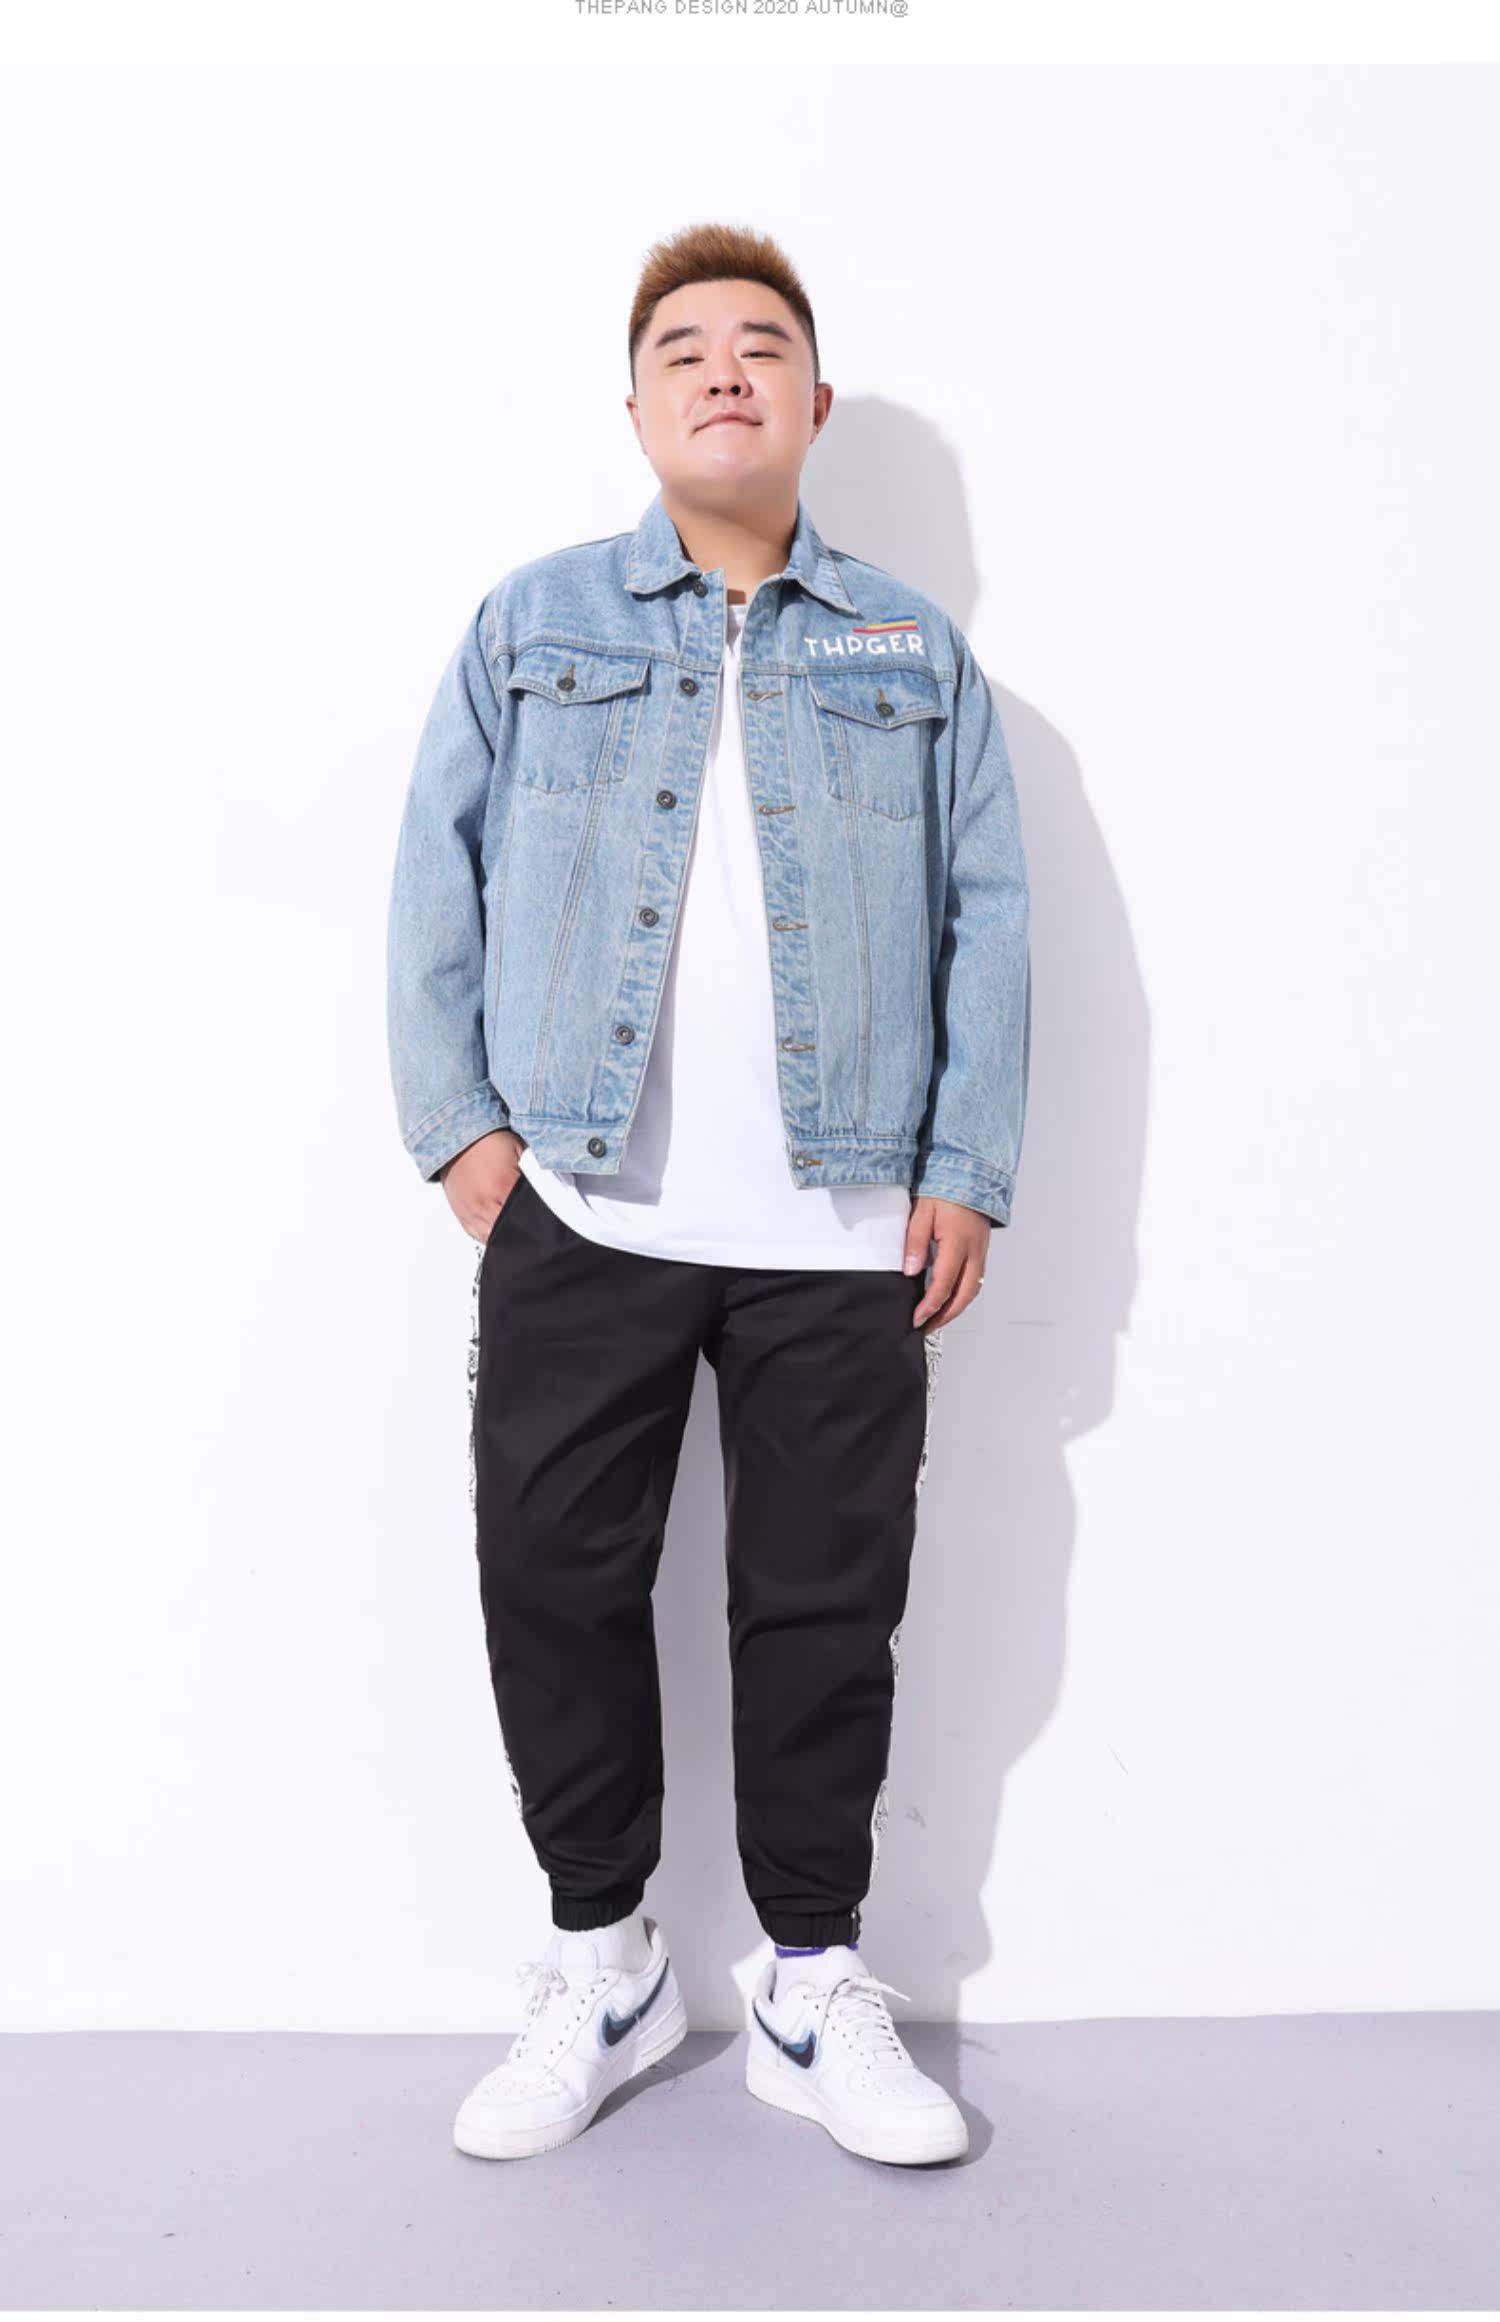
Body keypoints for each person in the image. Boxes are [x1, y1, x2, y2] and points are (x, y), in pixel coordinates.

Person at [385, 222, 1031, 2167]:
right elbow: (434, 870)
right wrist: (463, 1132)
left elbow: (990, 912)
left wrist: (965, 1164)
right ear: (639, 405)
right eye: (685, 346)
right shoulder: (533, 622)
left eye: (762, 344)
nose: (725, 367)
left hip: (841, 1232)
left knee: (825, 1612)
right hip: (585, 1208)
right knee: (551, 1582)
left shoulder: (910, 650)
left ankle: (810, 1984)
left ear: (814, 403)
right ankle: (605, 1960)